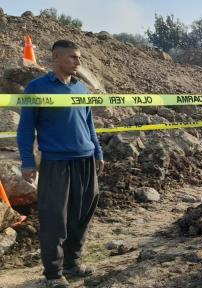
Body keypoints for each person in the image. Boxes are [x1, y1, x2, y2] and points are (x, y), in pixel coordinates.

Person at [17, 40, 104, 288]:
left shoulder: (80, 89)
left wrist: (97, 152)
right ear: (56, 57)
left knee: (82, 214)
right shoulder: (36, 88)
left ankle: (72, 263)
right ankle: (54, 274)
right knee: (55, 218)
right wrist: (27, 161)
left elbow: (89, 125)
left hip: (86, 161)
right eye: (73, 57)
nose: (78, 62)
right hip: (56, 163)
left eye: (79, 57)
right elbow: (25, 129)